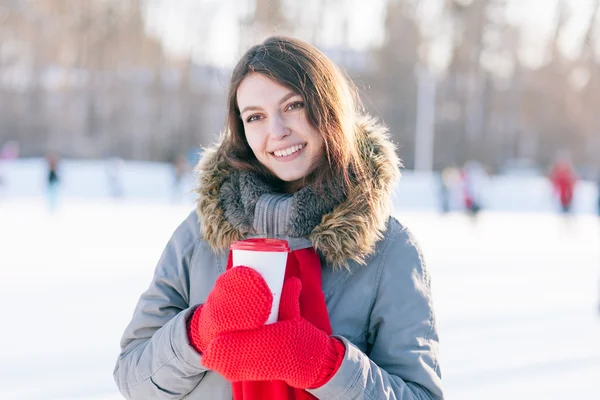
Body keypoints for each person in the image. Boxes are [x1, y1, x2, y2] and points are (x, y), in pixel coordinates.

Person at [114, 36, 443, 400]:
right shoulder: (199, 236)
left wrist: (327, 365)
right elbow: (133, 380)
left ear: (329, 107)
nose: (276, 131)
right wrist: (198, 333)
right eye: (255, 116)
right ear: (241, 130)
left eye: (293, 105)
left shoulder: (389, 250)